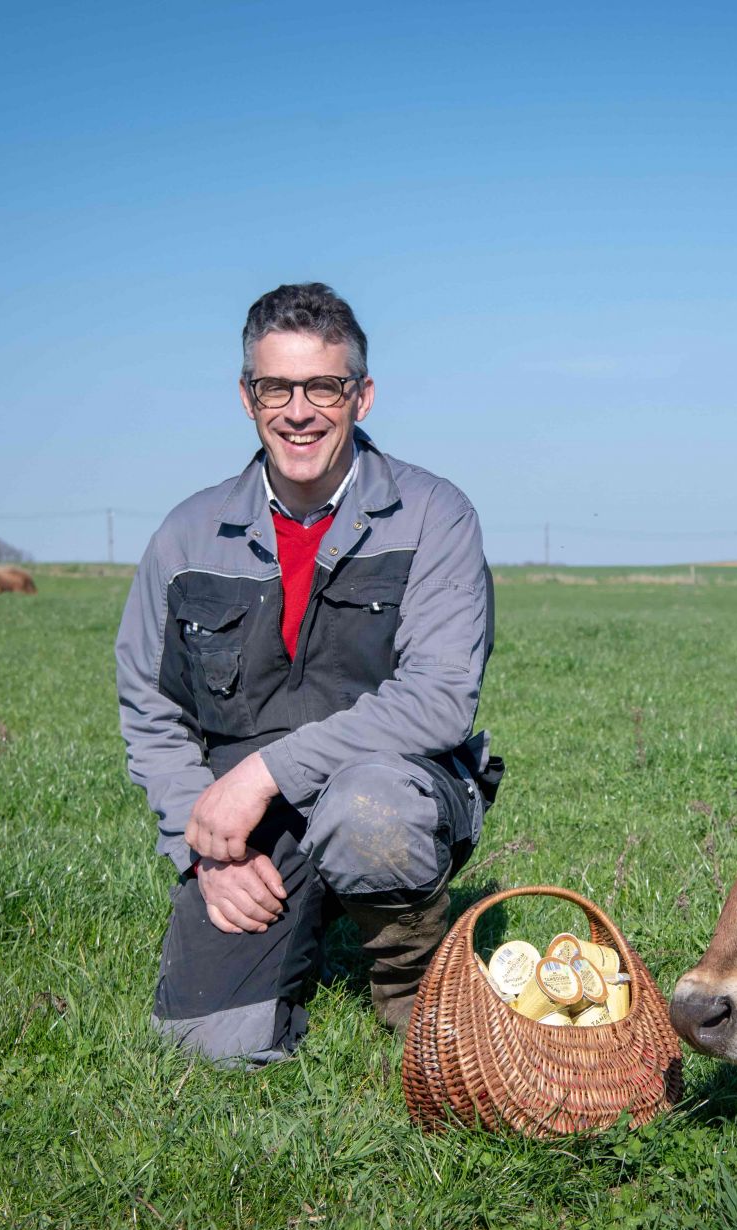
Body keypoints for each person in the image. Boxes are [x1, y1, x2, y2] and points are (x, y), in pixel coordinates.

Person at [116, 283, 500, 1064]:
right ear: (247, 397)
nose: (299, 410)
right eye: (275, 388)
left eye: (323, 386)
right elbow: (152, 711)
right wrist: (205, 849)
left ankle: (409, 976)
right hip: (250, 822)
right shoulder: (187, 534)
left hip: (390, 785)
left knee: (368, 810)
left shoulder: (434, 515)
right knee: (208, 1047)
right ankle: (300, 917)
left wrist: (264, 770)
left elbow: (437, 701)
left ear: (361, 395)